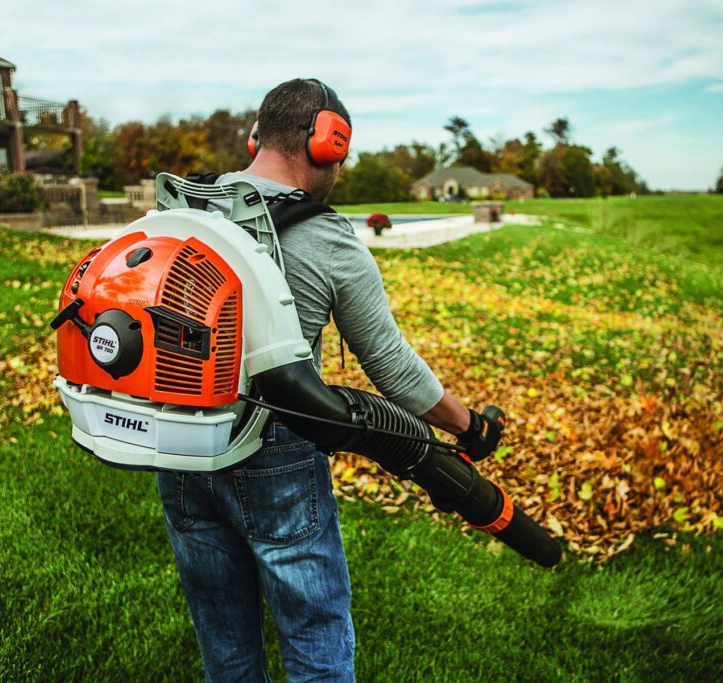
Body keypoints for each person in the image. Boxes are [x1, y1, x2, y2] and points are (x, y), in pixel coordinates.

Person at [156, 78, 498, 683]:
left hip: (180, 442)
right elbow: (390, 366)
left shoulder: (184, 209)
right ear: (328, 143)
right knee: (314, 631)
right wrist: (469, 426)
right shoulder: (324, 234)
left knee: (222, 631)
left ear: (255, 135)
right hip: (274, 448)